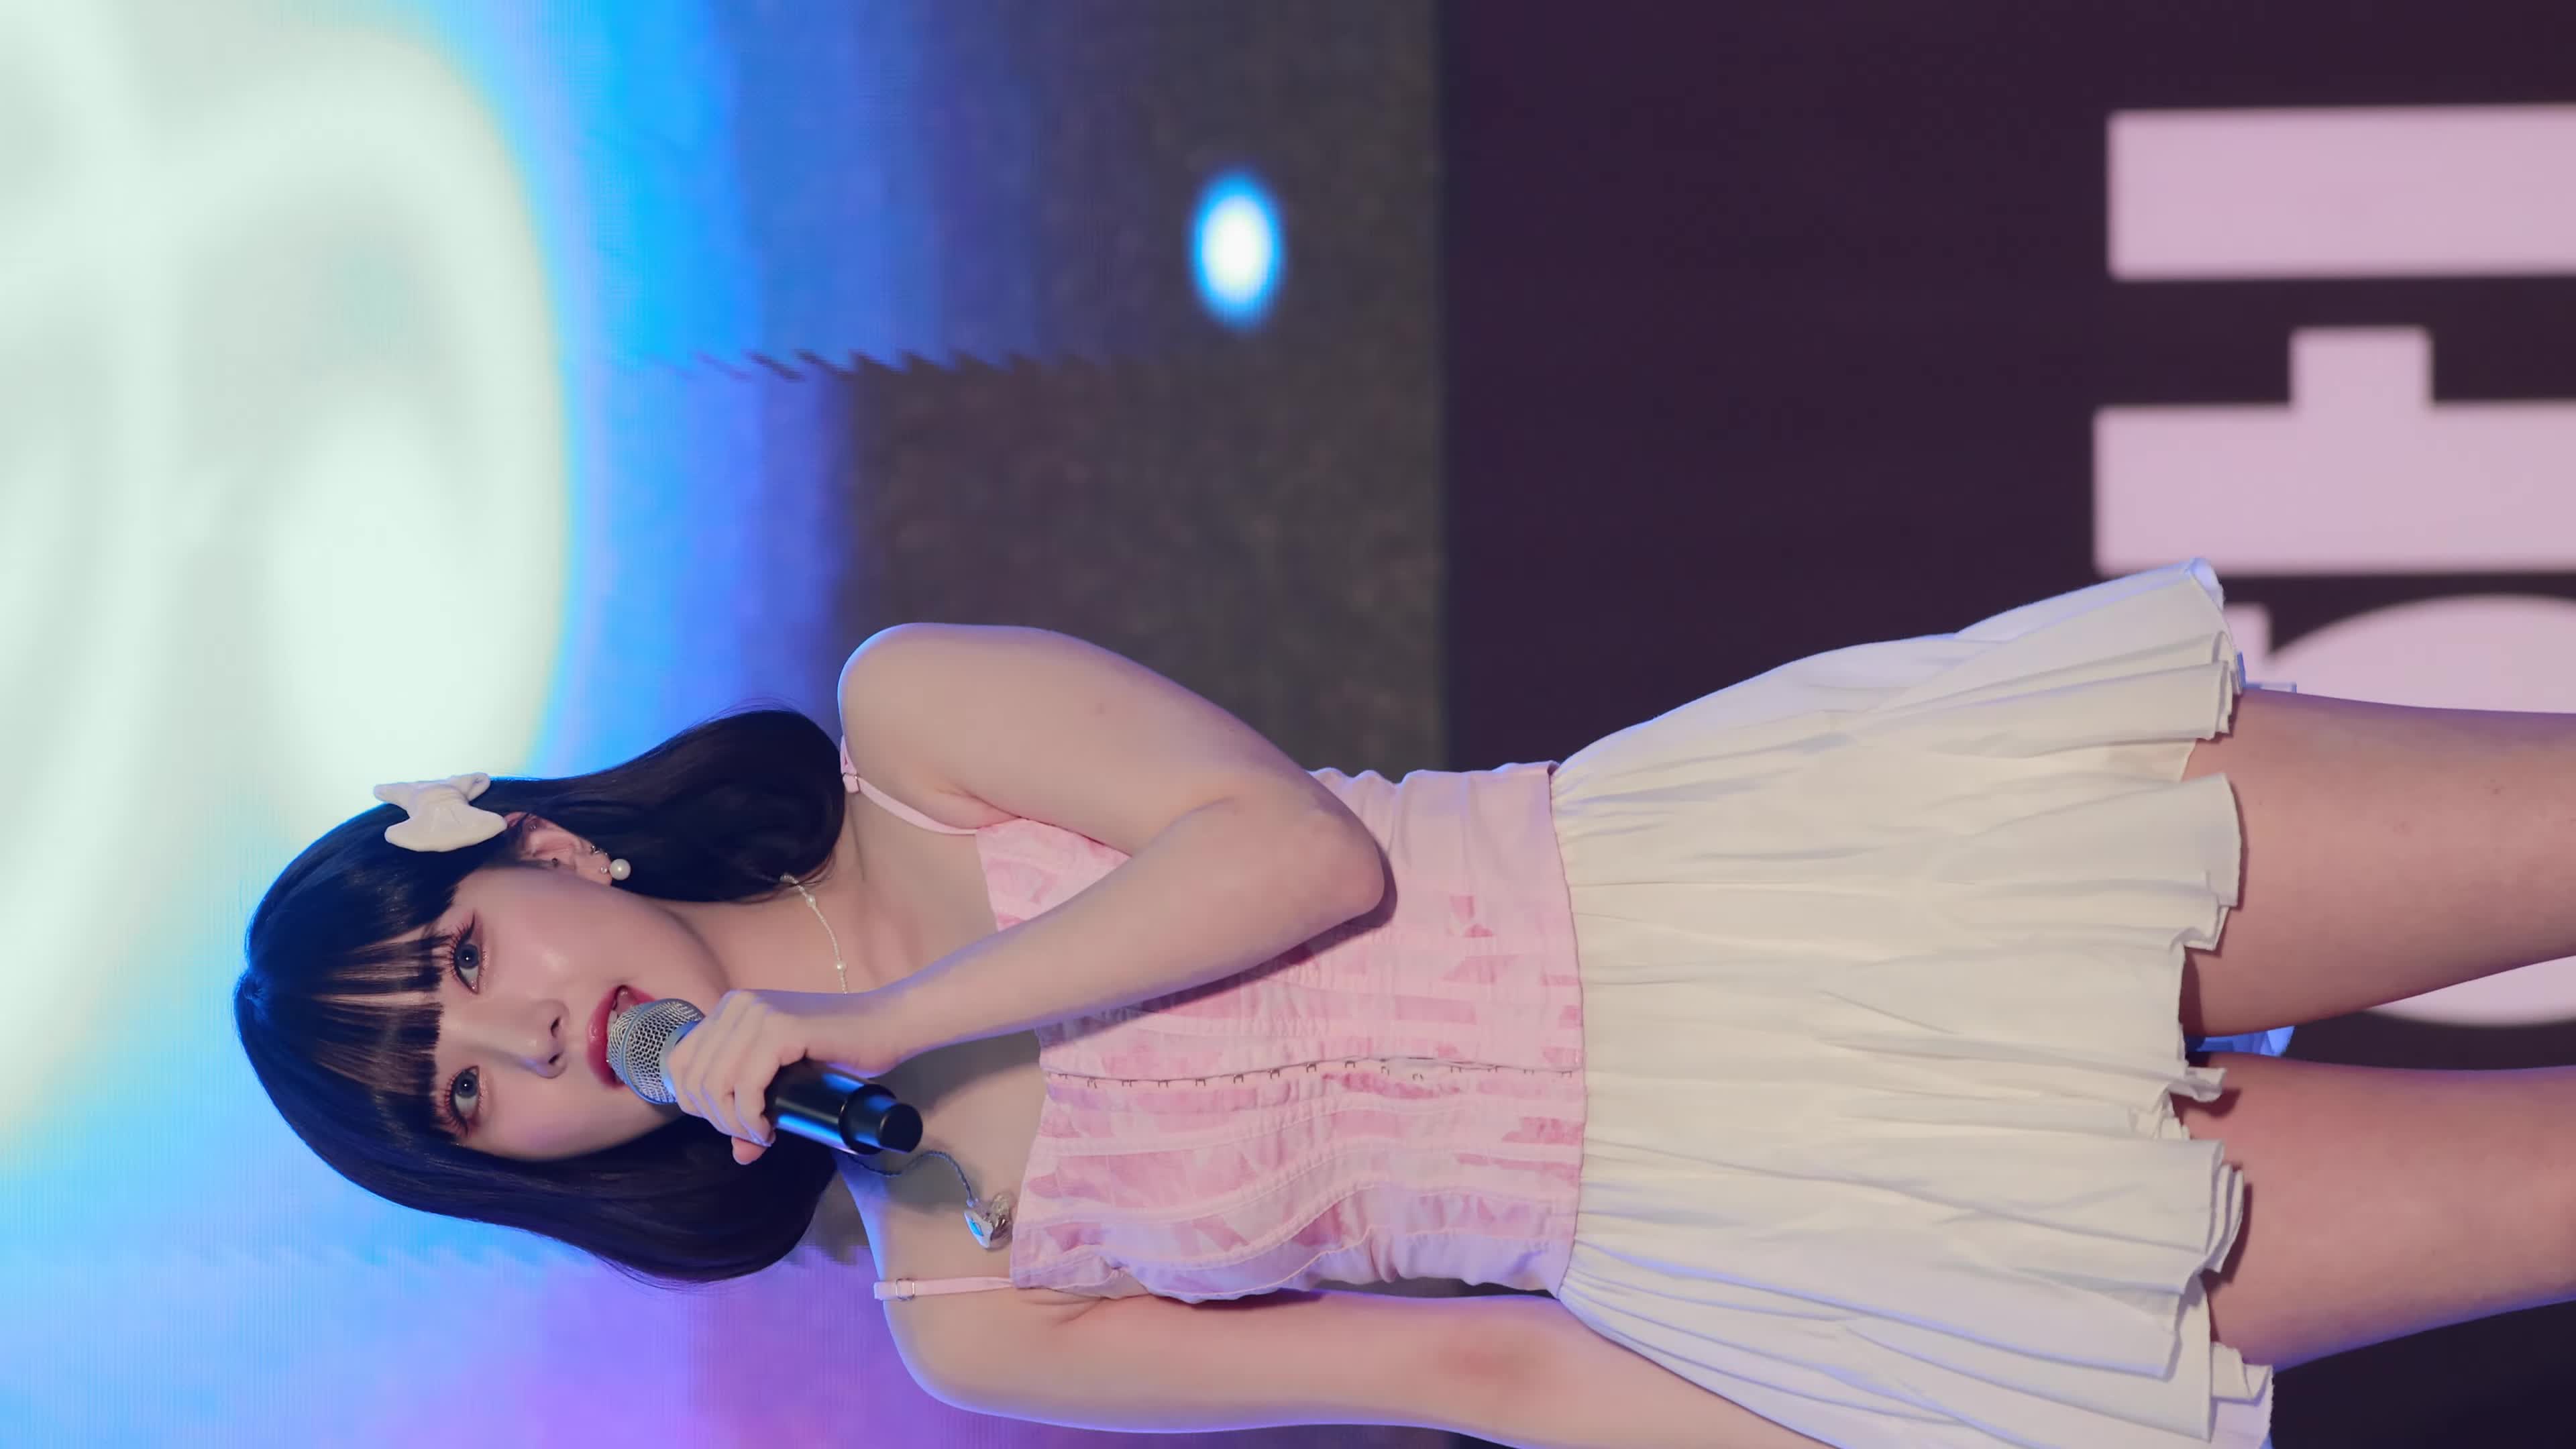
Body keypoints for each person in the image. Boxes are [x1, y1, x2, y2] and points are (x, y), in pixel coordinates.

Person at [235, 558, 2576, 1447]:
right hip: (1796, 1222)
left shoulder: (912, 720)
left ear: (545, 853)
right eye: (464, 1095)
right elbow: (1481, 1371)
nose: (521, 1043)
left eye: (471, 963)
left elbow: (1292, 857)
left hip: (1760, 887)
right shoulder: (965, 1308)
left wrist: (899, 1016)